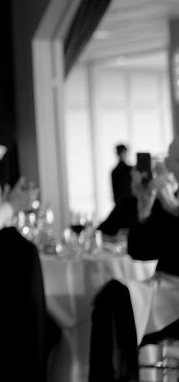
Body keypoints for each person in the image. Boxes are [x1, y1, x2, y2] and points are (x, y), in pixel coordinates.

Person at [90, 140, 179, 381]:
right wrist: (144, 208)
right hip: (163, 286)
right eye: (171, 160)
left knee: (118, 301)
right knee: (111, 297)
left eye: (174, 161)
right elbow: (141, 252)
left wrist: (173, 207)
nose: (170, 167)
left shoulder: (172, 201)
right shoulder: (169, 195)